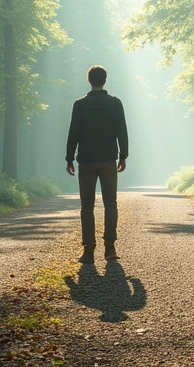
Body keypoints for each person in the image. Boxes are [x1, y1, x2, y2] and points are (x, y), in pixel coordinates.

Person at [66, 65, 129, 264]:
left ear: (89, 80)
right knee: (110, 203)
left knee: (87, 205)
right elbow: (121, 131)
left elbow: (74, 132)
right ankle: (110, 248)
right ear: (105, 80)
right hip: (108, 160)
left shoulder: (80, 104)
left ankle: (88, 251)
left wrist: (69, 157)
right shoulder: (115, 103)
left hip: (86, 161)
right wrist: (123, 155)